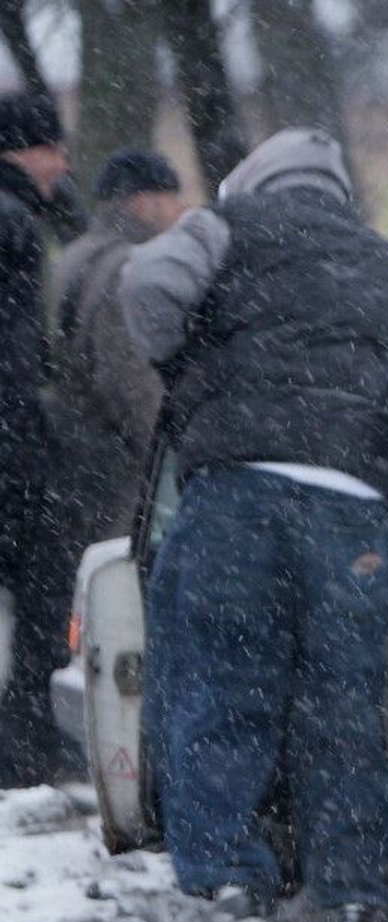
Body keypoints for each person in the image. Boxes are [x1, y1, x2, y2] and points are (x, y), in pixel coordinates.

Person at [120, 127, 388, 922]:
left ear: (257, 179)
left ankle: (231, 884)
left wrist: (188, 363)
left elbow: (145, 283)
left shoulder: (227, 224)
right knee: (343, 706)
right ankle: (353, 901)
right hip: (350, 509)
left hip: (237, 492)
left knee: (222, 688)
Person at [46, 149, 184, 548]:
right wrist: (170, 454)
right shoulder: (131, 267)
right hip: (114, 469)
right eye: (173, 199)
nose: (180, 212)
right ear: (145, 202)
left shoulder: (72, 256)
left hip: (66, 447)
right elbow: (134, 381)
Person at [0, 93, 75, 788]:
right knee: (39, 599)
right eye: (55, 149)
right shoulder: (15, 224)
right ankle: (22, 760)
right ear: (24, 150)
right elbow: (19, 358)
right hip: (11, 446)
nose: (64, 165)